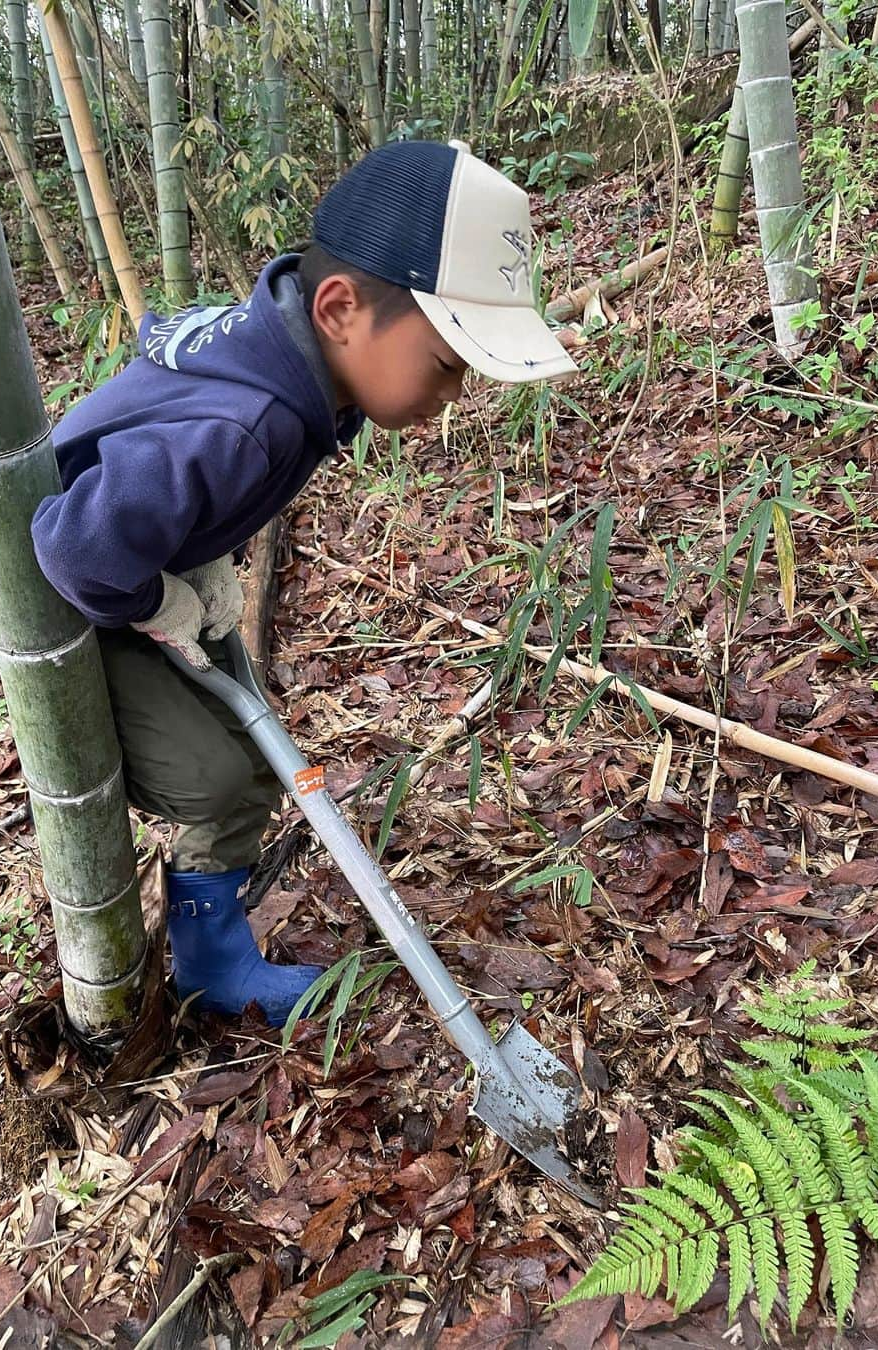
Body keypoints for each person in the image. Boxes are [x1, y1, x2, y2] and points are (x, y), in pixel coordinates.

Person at [31, 139, 577, 1026]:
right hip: (65, 597)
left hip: (128, 553)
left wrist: (192, 554)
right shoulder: (253, 425)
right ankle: (205, 970)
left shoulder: (284, 354)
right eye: (446, 366)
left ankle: (212, 948)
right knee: (220, 776)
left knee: (251, 751)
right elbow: (77, 549)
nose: (454, 396)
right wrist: (157, 594)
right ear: (339, 309)